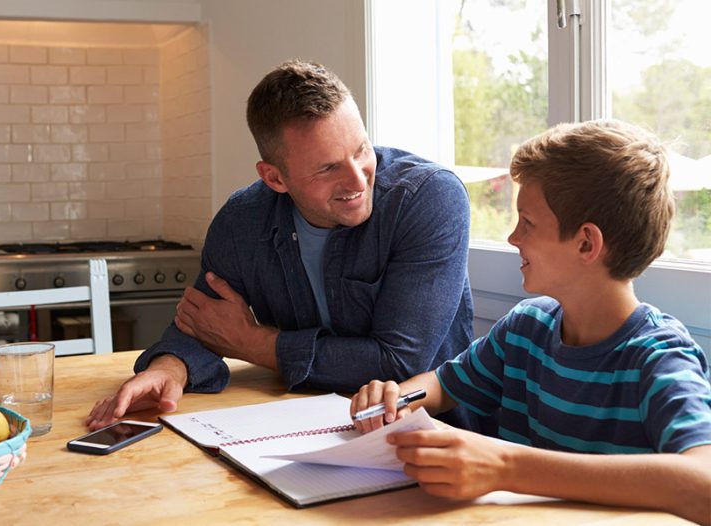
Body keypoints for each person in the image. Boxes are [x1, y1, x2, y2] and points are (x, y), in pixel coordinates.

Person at [350, 119, 711, 525]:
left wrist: (507, 466)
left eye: (528, 222)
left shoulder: (660, 358)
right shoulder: (527, 326)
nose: (512, 238)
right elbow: (442, 385)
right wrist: (397, 398)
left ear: (586, 243)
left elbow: (704, 483)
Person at [87, 59, 477, 431]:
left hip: (431, 434)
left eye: (361, 150)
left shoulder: (429, 199)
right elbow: (203, 324)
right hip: (294, 429)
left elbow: (400, 363)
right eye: (328, 168)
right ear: (274, 178)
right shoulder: (242, 221)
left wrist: (254, 344)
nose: (358, 180)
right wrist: (168, 369)